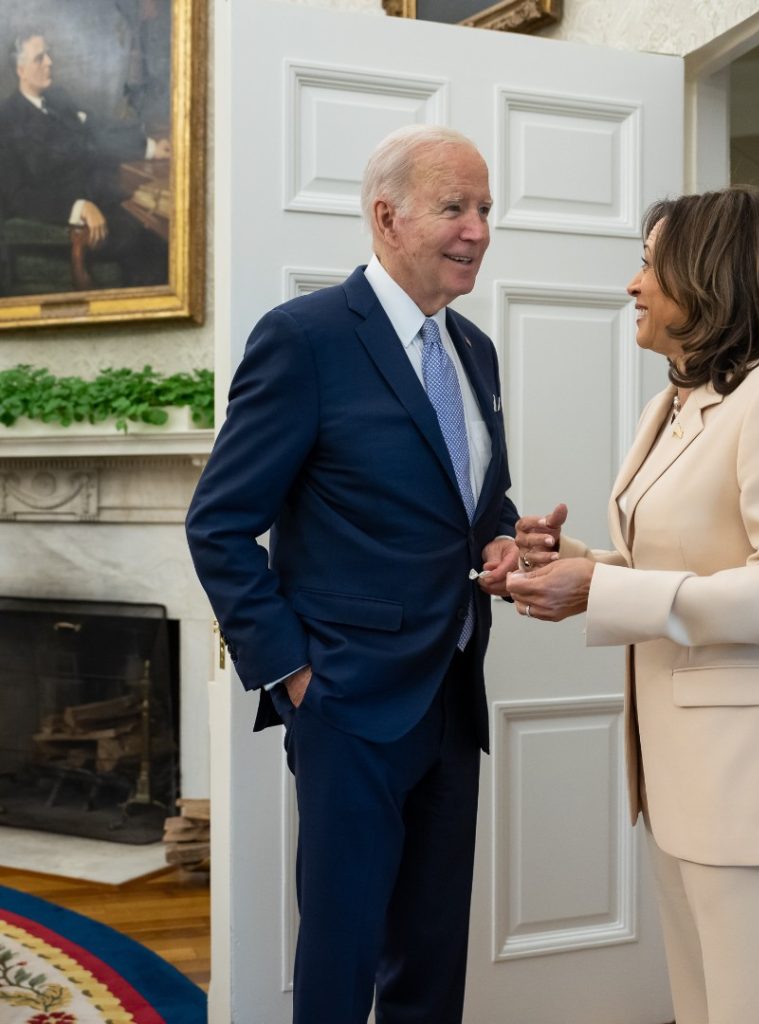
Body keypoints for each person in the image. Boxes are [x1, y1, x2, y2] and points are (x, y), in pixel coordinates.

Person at [508, 186, 759, 1024]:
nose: (632, 285)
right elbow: (677, 563)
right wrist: (570, 563)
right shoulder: (672, 404)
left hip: (758, 784)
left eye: (648, 264)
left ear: (710, 277)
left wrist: (601, 588)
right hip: (683, 778)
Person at [185, 125, 519, 1024]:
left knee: (432, 956)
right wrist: (295, 673)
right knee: (338, 958)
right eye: (456, 207)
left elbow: (476, 505)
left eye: (485, 208)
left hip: (453, 697)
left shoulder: (476, 351)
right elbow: (218, 525)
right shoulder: (305, 340)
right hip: (347, 703)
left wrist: (508, 541)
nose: (479, 229)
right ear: (386, 217)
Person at [0, 31, 169, 288]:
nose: (49, 62)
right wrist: (78, 208)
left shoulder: (59, 100)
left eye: (49, 54)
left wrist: (149, 147)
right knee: (147, 246)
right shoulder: (7, 120)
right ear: (20, 69)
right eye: (39, 58)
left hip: (105, 205)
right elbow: (16, 196)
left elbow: (99, 131)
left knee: (161, 236)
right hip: (62, 226)